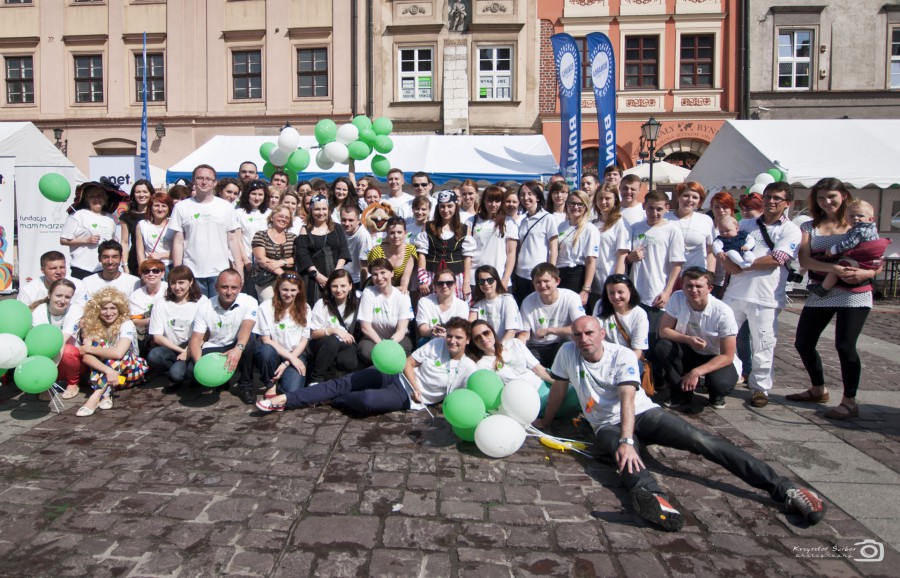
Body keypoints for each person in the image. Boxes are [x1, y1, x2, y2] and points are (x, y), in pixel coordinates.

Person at [535, 315, 827, 532]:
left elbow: (627, 398)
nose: (583, 339)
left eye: (589, 333)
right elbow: (559, 388)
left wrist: (627, 440)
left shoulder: (620, 355)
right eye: (577, 334)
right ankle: (654, 499)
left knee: (701, 440)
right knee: (626, 462)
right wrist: (546, 421)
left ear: (601, 333)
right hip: (605, 425)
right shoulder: (567, 353)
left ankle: (785, 489)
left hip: (642, 413)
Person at [256, 317, 476, 415]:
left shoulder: (468, 367)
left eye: (458, 338)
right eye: (450, 336)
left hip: (407, 398)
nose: (452, 341)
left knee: (366, 401)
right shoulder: (437, 344)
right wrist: (416, 386)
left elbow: (465, 397)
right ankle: (284, 400)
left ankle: (331, 400)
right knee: (344, 382)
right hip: (395, 375)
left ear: (467, 340)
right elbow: (409, 363)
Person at [791, 178, 880, 420]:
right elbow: (805, 260)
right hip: (822, 290)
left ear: (843, 196)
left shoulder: (859, 222)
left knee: (845, 345)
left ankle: (849, 401)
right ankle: (818, 388)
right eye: (821, 197)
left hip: (854, 292)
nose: (827, 202)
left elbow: (876, 259)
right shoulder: (809, 226)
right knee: (803, 342)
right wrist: (834, 269)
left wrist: (867, 273)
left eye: (831, 196)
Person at [722, 181, 802, 408]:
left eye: (777, 198)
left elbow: (776, 259)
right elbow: (725, 246)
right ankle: (725, 378)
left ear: (787, 203)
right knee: (721, 337)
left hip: (765, 296)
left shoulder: (790, 230)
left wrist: (743, 265)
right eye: (768, 197)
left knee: (763, 344)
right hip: (735, 292)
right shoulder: (746, 224)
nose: (771, 201)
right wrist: (726, 261)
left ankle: (760, 387)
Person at [654, 267, 739, 410]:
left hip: (715, 356)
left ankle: (716, 394)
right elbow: (664, 331)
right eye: (689, 285)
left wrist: (696, 372)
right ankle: (681, 392)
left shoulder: (723, 312)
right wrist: (688, 339)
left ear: (709, 289)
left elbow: (727, 356)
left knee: (720, 384)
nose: (693, 290)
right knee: (663, 346)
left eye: (698, 286)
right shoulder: (677, 297)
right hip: (689, 351)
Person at [170, 165, 244, 297]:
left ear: (215, 183)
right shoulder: (181, 207)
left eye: (208, 179)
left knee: (218, 308)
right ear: (193, 181)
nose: (204, 182)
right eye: (200, 178)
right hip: (192, 272)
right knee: (195, 308)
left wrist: (239, 267)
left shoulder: (225, 207)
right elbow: (178, 242)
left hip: (220, 272)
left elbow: (233, 240)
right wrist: (177, 271)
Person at [188, 269, 259, 404]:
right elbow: (196, 340)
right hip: (215, 346)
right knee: (190, 372)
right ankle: (222, 380)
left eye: (234, 288)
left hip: (238, 343)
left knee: (249, 343)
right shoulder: (205, 306)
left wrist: (238, 349)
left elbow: (246, 329)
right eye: (224, 287)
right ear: (216, 287)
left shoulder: (249, 301)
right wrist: (201, 366)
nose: (229, 292)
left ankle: (246, 385)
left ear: (240, 288)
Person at [625, 190, 685, 347]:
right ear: (644, 206)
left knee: (651, 339)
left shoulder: (672, 230)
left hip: (655, 294)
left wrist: (667, 291)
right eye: (650, 208)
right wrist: (630, 258)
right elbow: (625, 258)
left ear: (667, 208)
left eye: (659, 209)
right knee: (633, 337)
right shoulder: (635, 228)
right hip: (634, 293)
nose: (654, 213)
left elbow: (677, 264)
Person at [76, 287, 148, 417]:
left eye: (113, 308)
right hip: (112, 377)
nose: (109, 313)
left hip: (129, 373)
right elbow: (86, 357)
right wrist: (109, 371)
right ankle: (106, 394)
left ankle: (94, 397)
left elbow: (119, 353)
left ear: (119, 309)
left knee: (119, 355)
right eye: (104, 308)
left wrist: (89, 348)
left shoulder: (126, 324)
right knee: (99, 346)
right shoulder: (93, 325)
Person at [808, 200, 889, 296]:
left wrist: (833, 250)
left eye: (860, 216)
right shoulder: (872, 229)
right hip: (871, 261)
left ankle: (823, 288)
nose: (856, 218)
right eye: (852, 216)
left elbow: (849, 244)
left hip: (861, 260)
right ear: (846, 219)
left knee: (836, 269)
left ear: (871, 219)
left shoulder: (860, 230)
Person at [146, 265, 206, 394]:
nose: (177, 287)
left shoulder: (201, 301)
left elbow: (205, 333)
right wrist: (182, 351)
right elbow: (157, 337)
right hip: (172, 347)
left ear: (191, 282)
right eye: (173, 283)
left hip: (194, 346)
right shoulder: (161, 303)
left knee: (185, 373)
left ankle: (187, 375)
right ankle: (175, 372)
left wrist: (189, 351)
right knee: (154, 356)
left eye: (181, 282)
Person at [517, 263, 586, 367]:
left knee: (571, 342)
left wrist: (550, 330)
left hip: (561, 344)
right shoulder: (528, 301)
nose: (542, 285)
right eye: (538, 282)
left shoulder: (571, 297)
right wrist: (518, 349)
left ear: (557, 281)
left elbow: (581, 327)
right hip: (536, 346)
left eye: (546, 281)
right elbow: (524, 334)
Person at [253, 272, 311, 394]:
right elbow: (266, 340)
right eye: (285, 289)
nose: (288, 294)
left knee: (291, 391)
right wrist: (291, 358)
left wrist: (287, 362)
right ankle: (270, 383)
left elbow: (304, 340)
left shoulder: (305, 308)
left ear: (299, 290)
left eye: (293, 290)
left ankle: (281, 379)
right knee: (265, 351)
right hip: (273, 352)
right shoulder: (266, 307)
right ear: (278, 288)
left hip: (295, 352)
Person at [29, 279, 83, 399]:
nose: (62, 301)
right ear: (49, 295)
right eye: (58, 295)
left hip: (72, 360)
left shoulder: (75, 309)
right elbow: (40, 343)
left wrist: (51, 371)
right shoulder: (39, 311)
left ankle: (73, 383)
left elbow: (61, 341)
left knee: (67, 351)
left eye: (67, 297)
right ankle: (46, 385)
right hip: (47, 356)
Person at [415, 190, 475, 300]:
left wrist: (466, 283)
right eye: (442, 206)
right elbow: (422, 254)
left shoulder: (464, 229)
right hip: (431, 276)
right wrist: (423, 280)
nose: (446, 210)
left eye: (449, 206)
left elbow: (467, 258)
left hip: (456, 277)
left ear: (455, 207)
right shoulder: (428, 227)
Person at [294, 194, 351, 305]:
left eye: (324, 209)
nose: (321, 213)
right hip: (313, 278)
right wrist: (317, 275)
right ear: (311, 210)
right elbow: (303, 255)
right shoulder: (305, 230)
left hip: (335, 275)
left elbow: (343, 251)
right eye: (317, 209)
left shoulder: (337, 228)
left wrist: (336, 272)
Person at [357, 258, 414, 364]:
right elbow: (365, 327)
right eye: (375, 274)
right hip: (373, 338)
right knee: (366, 352)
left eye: (383, 272)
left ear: (392, 273)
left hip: (398, 338)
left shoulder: (402, 296)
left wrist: (389, 345)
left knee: (397, 353)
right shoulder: (368, 293)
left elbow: (401, 330)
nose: (379, 278)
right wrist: (381, 345)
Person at [307, 270, 360, 383]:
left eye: (343, 286)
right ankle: (316, 379)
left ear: (350, 286)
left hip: (344, 342)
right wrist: (334, 330)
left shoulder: (356, 304)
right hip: (322, 342)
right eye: (334, 286)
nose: (339, 290)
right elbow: (313, 334)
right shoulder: (321, 304)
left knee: (349, 362)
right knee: (333, 342)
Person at [469, 320, 553, 390]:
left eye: (486, 333)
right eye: (477, 338)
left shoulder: (514, 343)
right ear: (474, 343)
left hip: (542, 387)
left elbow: (539, 370)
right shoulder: (481, 366)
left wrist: (558, 384)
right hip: (521, 400)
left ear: (493, 332)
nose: (483, 338)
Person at [60, 182, 119, 279]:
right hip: (82, 268)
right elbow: (63, 240)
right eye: (92, 196)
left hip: (104, 268)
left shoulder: (111, 218)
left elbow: (113, 241)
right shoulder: (77, 215)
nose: (96, 199)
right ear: (87, 200)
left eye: (99, 196)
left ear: (105, 199)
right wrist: (86, 241)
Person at [513, 182, 558, 305]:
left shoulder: (548, 218)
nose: (526, 197)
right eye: (522, 194)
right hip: (520, 273)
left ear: (537, 197)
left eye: (530, 194)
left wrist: (551, 272)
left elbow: (553, 249)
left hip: (539, 274)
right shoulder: (522, 220)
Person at [467, 185, 518, 292]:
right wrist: (466, 281)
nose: (493, 204)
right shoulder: (472, 221)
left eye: (497, 201)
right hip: (475, 278)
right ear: (484, 201)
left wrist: (505, 279)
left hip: (499, 277)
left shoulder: (509, 222)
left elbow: (511, 253)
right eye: (490, 200)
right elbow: (467, 253)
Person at [588, 183, 629, 313]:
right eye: (600, 198)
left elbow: (622, 256)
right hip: (594, 282)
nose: (603, 202)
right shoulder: (592, 223)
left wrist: (616, 282)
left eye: (607, 198)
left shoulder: (620, 223)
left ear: (615, 199)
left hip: (610, 280)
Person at [556, 190, 599, 306]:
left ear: (586, 207)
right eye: (572, 203)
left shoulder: (590, 229)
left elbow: (591, 261)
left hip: (576, 275)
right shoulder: (561, 226)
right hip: (559, 274)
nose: (576, 207)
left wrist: (586, 289)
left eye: (580, 204)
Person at [594, 274, 649, 363]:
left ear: (630, 290)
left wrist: (621, 365)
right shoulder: (600, 305)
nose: (616, 296)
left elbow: (637, 350)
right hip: (604, 357)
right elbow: (596, 335)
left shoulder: (639, 314)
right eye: (611, 293)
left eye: (620, 292)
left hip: (628, 359)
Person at [666, 181, 715, 275]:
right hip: (668, 276)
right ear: (678, 197)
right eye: (686, 195)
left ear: (700, 201)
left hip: (696, 277)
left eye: (695, 197)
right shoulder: (665, 219)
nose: (690, 200)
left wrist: (710, 275)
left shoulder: (706, 220)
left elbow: (711, 251)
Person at [251, 205, 296, 301]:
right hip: (266, 280)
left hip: (289, 281)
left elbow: (297, 257)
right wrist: (282, 274)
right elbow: (261, 259)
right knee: (270, 305)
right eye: (281, 216)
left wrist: (281, 262)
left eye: (287, 218)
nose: (284, 219)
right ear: (272, 217)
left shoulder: (293, 237)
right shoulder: (261, 235)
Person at [468, 265, 523, 343]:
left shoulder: (507, 300)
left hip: (505, 345)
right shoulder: (477, 303)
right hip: (485, 345)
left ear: (496, 280)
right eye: (481, 281)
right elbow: (470, 323)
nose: (486, 284)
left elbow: (511, 331)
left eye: (490, 280)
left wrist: (499, 348)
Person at [236, 179, 271, 292]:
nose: (257, 198)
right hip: (246, 262)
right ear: (247, 194)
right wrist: (246, 261)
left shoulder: (270, 213)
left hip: (266, 263)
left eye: (260, 194)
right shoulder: (239, 213)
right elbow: (238, 239)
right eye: (253, 194)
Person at [17, 251, 87, 307]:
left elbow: (82, 310)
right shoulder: (28, 290)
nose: (59, 272)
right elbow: (22, 314)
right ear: (42, 270)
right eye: (53, 268)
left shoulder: (78, 285)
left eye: (62, 267)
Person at [416, 268, 470, 341]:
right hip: (431, 341)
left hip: (453, 342)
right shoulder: (424, 302)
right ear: (435, 286)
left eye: (449, 283)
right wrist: (432, 331)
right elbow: (423, 329)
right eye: (440, 283)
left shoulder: (462, 305)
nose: (444, 286)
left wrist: (447, 335)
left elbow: (461, 330)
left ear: (455, 285)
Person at [366, 216, 417, 293]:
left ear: (405, 233)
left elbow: (406, 277)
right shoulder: (377, 251)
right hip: (377, 288)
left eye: (399, 232)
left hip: (399, 289)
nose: (396, 236)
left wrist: (402, 289)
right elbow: (375, 276)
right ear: (387, 234)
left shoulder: (411, 250)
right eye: (392, 233)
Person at [128, 259, 168, 354]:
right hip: (145, 333)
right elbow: (134, 320)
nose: (151, 274)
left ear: (162, 274)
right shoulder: (136, 295)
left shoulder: (169, 290)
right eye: (146, 271)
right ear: (141, 275)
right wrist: (153, 321)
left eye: (155, 271)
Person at [118, 179, 152, 275]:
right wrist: (125, 265)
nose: (141, 195)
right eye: (138, 192)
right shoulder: (127, 216)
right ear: (133, 194)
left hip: (154, 260)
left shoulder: (157, 214)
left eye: (145, 191)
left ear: (151, 194)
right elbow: (125, 242)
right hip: (134, 261)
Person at [136, 192, 174, 271]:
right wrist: (143, 270)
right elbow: (140, 252)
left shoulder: (174, 224)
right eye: (156, 205)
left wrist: (161, 255)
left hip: (170, 266)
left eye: (164, 206)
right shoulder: (142, 225)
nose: (160, 209)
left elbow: (181, 250)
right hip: (151, 268)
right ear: (151, 207)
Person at [340, 204, 374, 290]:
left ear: (358, 221)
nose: (347, 223)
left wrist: (362, 288)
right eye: (344, 220)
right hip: (342, 277)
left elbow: (364, 266)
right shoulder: (339, 230)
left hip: (357, 280)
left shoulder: (363, 235)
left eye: (351, 220)